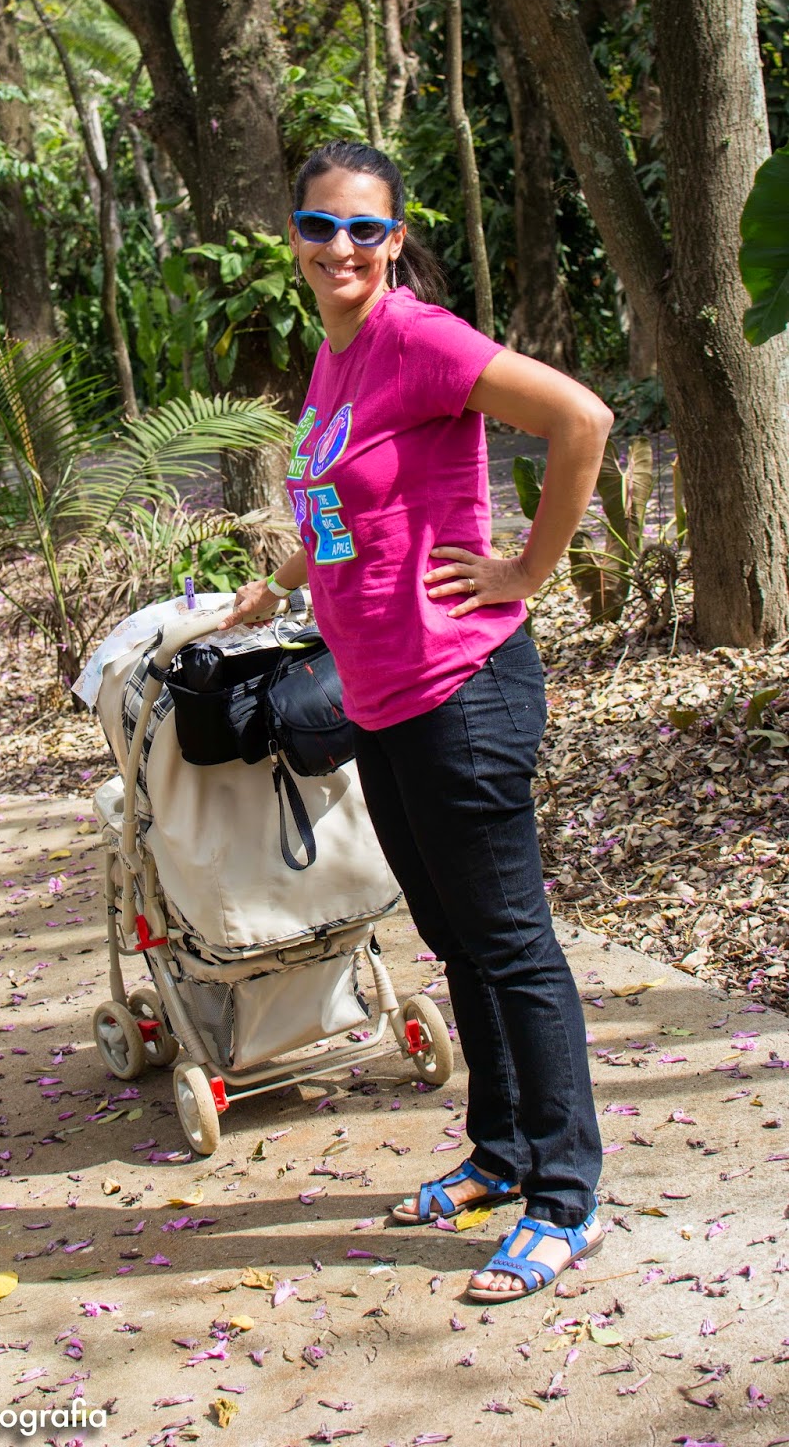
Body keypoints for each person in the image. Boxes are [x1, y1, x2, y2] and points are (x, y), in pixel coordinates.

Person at [220, 139, 612, 1303]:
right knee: (454, 938)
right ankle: (502, 1154)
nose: (338, 245)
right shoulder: (334, 357)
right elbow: (342, 505)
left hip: (461, 687)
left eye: (362, 227)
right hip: (379, 695)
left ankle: (566, 1198)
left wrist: (524, 569)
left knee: (511, 944)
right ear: (294, 237)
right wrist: (281, 581)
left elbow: (581, 418)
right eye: (317, 225)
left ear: (392, 240)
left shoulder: (417, 337)